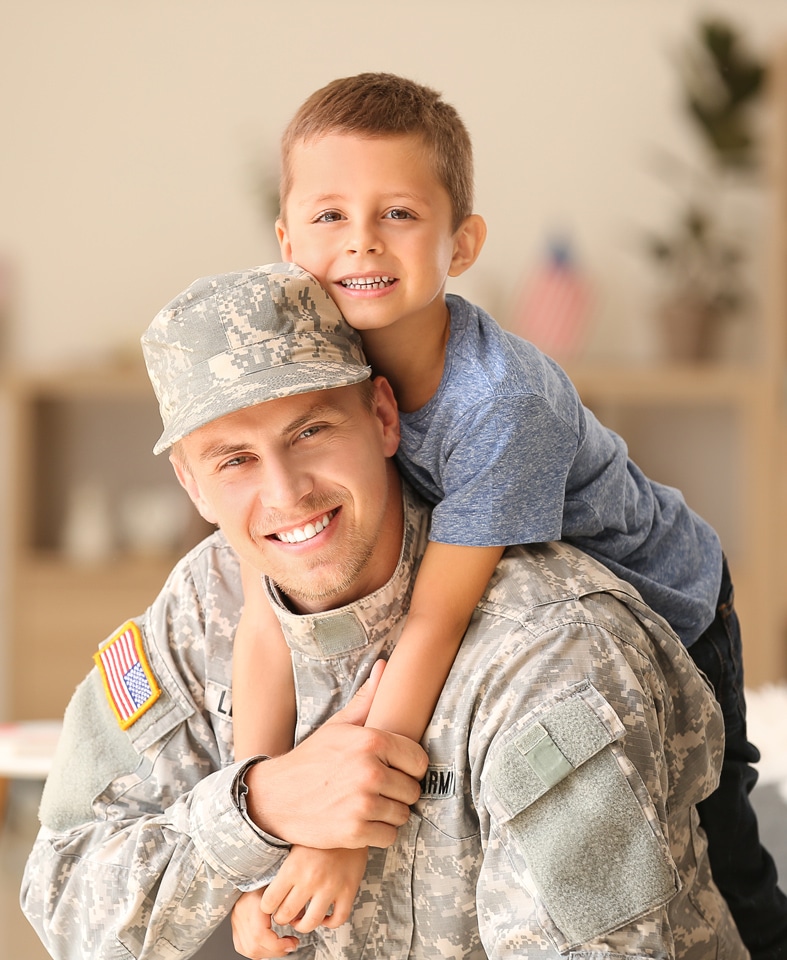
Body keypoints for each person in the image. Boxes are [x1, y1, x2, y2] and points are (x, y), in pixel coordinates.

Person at [21, 263, 746, 959]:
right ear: (192, 486)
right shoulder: (197, 606)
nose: (285, 492)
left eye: (309, 432)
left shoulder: (547, 644)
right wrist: (259, 806)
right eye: (234, 460)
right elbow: (64, 904)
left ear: (382, 416)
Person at [231, 73, 787, 958]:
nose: (361, 241)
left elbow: (438, 617)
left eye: (399, 214)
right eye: (330, 215)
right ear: (286, 238)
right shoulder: (310, 360)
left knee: (712, 831)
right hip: (509, 594)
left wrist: (337, 834)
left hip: (664, 598)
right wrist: (266, 840)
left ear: (462, 243)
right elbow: (266, 604)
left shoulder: (500, 404)